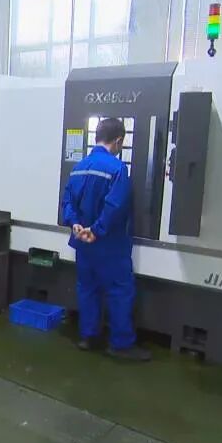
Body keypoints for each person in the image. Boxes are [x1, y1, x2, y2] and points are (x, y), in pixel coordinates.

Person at [60, 118, 150, 361]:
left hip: (82, 242)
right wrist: (96, 230)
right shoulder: (117, 169)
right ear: (119, 140)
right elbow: (115, 206)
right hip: (109, 244)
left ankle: (88, 337)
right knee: (119, 291)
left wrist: (75, 224)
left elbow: (67, 202)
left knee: (87, 288)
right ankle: (121, 344)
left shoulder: (79, 167)